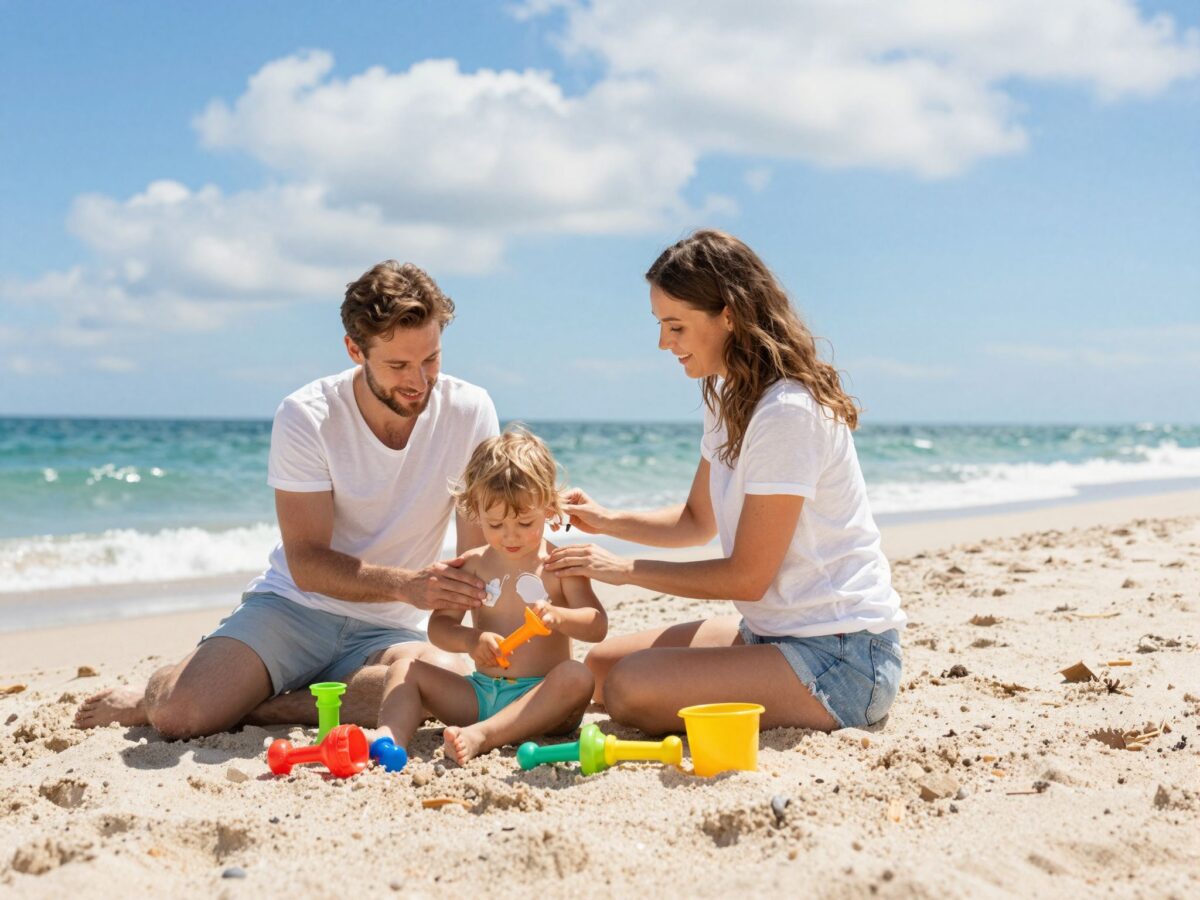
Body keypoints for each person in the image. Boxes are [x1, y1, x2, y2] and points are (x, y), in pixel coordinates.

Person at [75, 260, 498, 738]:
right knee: (180, 715)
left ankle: (270, 707)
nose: (419, 383)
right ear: (355, 350)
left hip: (392, 631)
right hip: (296, 609)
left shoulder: (470, 411)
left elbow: (478, 557)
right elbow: (307, 562)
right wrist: (408, 585)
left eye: (431, 360)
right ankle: (157, 691)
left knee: (462, 686)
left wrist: (474, 637)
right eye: (399, 365)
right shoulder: (307, 415)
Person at [545, 229, 905, 735]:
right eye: (660, 325)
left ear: (729, 316)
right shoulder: (730, 395)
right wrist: (604, 519)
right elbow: (695, 522)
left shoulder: (786, 413)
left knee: (629, 687)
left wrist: (622, 569)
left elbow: (746, 577)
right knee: (599, 667)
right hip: (770, 634)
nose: (663, 342)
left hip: (844, 657)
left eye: (676, 326)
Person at [376, 427, 606, 765]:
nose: (510, 535)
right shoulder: (472, 567)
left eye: (525, 523)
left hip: (541, 700)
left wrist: (560, 617)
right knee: (407, 669)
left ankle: (485, 735)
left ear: (548, 507)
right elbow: (439, 628)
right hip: (482, 695)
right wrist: (472, 640)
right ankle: (390, 737)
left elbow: (596, 624)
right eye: (495, 525)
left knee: (578, 675)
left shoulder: (560, 565)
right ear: (475, 511)